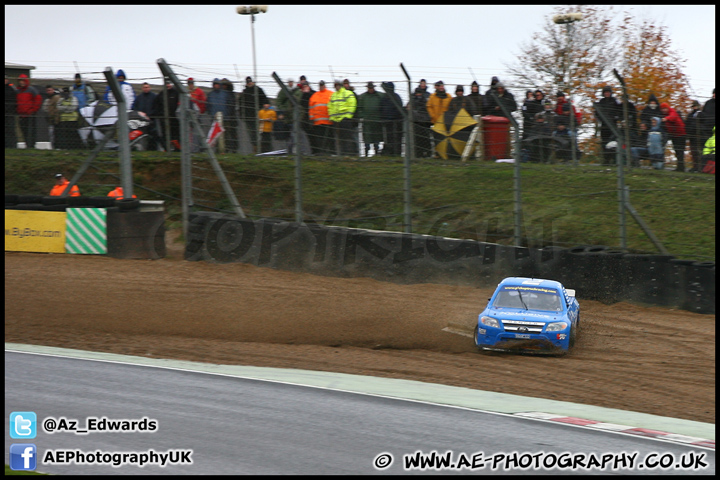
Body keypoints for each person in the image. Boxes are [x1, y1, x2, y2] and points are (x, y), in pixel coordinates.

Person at [239, 76, 268, 154]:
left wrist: (264, 106)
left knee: (260, 133)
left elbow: (265, 100)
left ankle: (261, 150)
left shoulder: (258, 90)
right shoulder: (244, 92)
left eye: (250, 81)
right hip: (248, 117)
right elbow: (240, 105)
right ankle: (255, 149)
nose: (250, 83)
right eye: (248, 82)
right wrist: (241, 115)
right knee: (252, 134)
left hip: (258, 116)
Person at [328, 79, 357, 156]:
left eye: (337, 85)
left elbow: (352, 105)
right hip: (336, 121)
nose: (336, 87)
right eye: (335, 85)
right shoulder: (333, 95)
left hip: (345, 121)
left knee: (347, 139)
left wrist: (347, 117)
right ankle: (340, 154)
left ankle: (348, 154)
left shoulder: (347, 93)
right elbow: (330, 107)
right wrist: (332, 118)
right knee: (338, 139)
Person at [596, 85, 622, 165]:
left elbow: (620, 110)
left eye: (608, 92)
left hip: (613, 125)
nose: (607, 94)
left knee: (613, 142)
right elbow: (597, 112)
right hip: (604, 126)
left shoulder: (615, 101)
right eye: (605, 92)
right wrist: (601, 119)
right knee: (604, 142)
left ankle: (614, 159)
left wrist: (616, 117)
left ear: (611, 93)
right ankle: (606, 160)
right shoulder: (601, 102)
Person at [357, 82, 384, 157]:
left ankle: (376, 152)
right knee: (367, 138)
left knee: (376, 137)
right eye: (369, 88)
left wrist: (381, 116)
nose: (370, 89)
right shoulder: (363, 97)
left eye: (371, 88)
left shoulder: (380, 96)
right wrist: (362, 116)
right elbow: (359, 108)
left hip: (377, 120)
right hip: (367, 121)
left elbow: (383, 106)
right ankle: (366, 153)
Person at [152, 78, 181, 151]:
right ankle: (166, 149)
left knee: (175, 135)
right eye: (166, 84)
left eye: (169, 83)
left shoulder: (176, 93)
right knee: (165, 135)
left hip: (174, 118)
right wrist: (159, 115)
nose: (168, 85)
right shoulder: (161, 94)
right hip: (164, 118)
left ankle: (177, 148)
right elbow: (156, 105)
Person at [15, 74, 42, 149]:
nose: (21, 82)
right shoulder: (17, 91)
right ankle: (27, 145)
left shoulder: (32, 90)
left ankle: (31, 145)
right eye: (20, 81)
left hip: (30, 114)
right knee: (24, 131)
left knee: (31, 131)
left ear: (26, 81)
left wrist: (33, 110)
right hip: (21, 114)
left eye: (23, 81)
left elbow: (38, 100)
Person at [308, 80, 333, 155]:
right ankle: (320, 153)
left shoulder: (331, 94)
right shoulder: (315, 95)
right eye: (320, 85)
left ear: (325, 85)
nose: (321, 86)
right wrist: (311, 119)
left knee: (328, 139)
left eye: (322, 85)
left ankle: (327, 152)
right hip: (317, 123)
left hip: (328, 122)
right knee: (319, 139)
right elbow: (311, 108)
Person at [660, 102, 686, 172]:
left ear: (667, 108)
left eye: (665, 108)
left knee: (680, 151)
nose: (664, 110)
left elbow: (673, 117)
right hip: (674, 135)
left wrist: (666, 118)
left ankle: (681, 167)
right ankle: (680, 167)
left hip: (681, 134)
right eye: (662, 109)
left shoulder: (672, 111)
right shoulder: (663, 114)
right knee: (677, 151)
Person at [380, 81, 403, 156]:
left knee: (393, 139)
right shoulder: (394, 97)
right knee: (392, 139)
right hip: (390, 122)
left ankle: (395, 153)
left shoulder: (388, 97)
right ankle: (394, 153)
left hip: (394, 122)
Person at [409, 86, 432, 158]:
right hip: (417, 123)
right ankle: (418, 154)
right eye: (417, 93)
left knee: (424, 140)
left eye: (419, 93)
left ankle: (426, 154)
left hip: (423, 123)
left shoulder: (424, 102)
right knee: (418, 140)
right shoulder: (413, 102)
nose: (418, 95)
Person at [685, 100, 704, 172]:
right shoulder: (690, 115)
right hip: (691, 136)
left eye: (696, 106)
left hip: (698, 136)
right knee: (693, 152)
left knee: (698, 152)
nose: (695, 107)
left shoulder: (701, 114)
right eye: (694, 106)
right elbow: (687, 124)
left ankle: (700, 167)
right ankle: (695, 166)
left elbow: (702, 124)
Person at [5, 75, 17, 148]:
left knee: (10, 129)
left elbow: (14, 100)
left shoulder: (11, 89)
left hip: (10, 112)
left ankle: (12, 145)